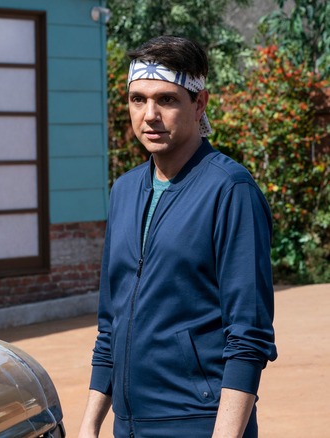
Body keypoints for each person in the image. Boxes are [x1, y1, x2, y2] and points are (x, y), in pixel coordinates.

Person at [78, 36, 277, 438]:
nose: (149, 114)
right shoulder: (124, 191)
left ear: (199, 103)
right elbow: (111, 324)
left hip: (198, 424)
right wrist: (90, 425)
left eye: (166, 99)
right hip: (129, 426)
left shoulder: (230, 189)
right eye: (138, 99)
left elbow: (249, 335)